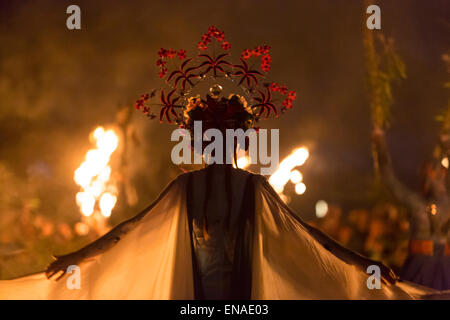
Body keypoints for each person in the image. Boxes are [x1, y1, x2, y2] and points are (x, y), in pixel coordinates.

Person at [0, 26, 438, 300]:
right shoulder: (199, 188)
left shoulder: (243, 188)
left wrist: (365, 263)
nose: (219, 148)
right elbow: (125, 230)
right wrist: (77, 255)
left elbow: (310, 235)